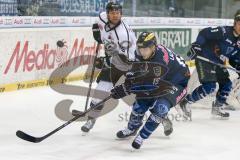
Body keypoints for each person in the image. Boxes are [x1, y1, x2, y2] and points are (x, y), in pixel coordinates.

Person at [110, 32, 190, 149]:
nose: (142, 52)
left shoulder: (160, 59)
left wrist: (125, 90)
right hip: (161, 79)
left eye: (145, 49)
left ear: (153, 47)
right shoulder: (139, 54)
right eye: (140, 48)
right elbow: (134, 75)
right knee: (139, 105)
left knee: (161, 108)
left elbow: (148, 84)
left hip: (178, 82)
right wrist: (122, 87)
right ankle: (132, 129)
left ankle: (142, 136)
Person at [73, 2, 137, 133]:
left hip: (128, 62)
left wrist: (108, 58)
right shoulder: (102, 16)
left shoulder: (124, 34)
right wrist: (97, 33)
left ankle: (154, 119)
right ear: (107, 13)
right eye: (112, 13)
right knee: (100, 92)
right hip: (113, 60)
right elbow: (98, 25)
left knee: (138, 96)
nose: (115, 15)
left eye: (117, 13)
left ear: (121, 14)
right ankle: (91, 119)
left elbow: (126, 57)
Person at [180, 10, 240, 119]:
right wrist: (197, 45)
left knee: (227, 85)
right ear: (235, 23)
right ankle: (185, 102)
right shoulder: (223, 31)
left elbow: (234, 58)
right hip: (205, 59)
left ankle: (217, 108)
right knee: (210, 87)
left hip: (218, 63)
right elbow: (204, 33)